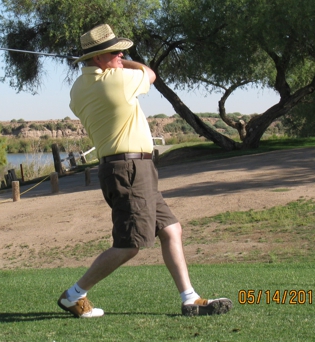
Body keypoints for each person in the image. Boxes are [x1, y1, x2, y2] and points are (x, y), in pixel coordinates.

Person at [57, 24, 233, 318]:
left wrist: (110, 60)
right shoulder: (118, 80)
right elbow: (150, 73)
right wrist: (124, 63)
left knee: (171, 229)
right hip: (130, 171)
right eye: (115, 52)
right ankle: (74, 295)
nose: (122, 55)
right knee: (130, 245)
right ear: (100, 58)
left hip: (127, 169)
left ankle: (189, 298)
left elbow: (106, 73)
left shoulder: (78, 89)